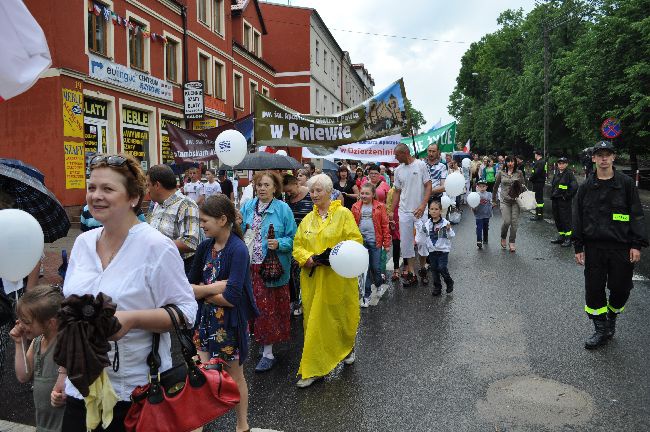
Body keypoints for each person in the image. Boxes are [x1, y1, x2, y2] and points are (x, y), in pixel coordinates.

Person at [62, 154, 197, 431]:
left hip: (133, 392)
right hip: (81, 386)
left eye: (108, 189)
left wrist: (133, 319)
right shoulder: (83, 243)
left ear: (133, 197)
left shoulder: (156, 247)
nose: (96, 196)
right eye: (92, 187)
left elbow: (186, 311)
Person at [188, 195, 259, 432]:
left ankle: (242, 425)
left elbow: (233, 298)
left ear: (222, 219)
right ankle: (199, 424)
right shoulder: (204, 246)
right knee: (203, 376)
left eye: (204, 220)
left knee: (234, 376)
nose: (201, 224)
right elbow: (189, 286)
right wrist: (216, 287)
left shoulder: (238, 249)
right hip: (205, 322)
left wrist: (202, 292)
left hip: (228, 325)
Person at [573, 141, 648, 349]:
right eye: (600, 155)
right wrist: (578, 246)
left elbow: (636, 214)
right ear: (594, 158)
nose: (604, 158)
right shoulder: (586, 187)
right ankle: (601, 329)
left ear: (613, 157)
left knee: (621, 288)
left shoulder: (625, 184)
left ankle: (612, 317)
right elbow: (577, 217)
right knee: (594, 289)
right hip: (594, 248)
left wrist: (636, 244)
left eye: (608, 154)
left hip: (621, 247)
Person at [292, 174, 362, 388]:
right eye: (312, 191)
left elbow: (355, 240)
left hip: (338, 278)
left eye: (318, 190)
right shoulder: (307, 220)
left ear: (329, 192)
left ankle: (347, 346)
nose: (314, 195)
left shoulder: (343, 214)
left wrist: (334, 255)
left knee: (341, 317)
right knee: (314, 323)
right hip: (313, 280)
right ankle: (314, 368)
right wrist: (308, 258)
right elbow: (298, 246)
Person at [240, 171, 297, 373]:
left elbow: (294, 238)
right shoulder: (248, 206)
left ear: (275, 188)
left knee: (267, 309)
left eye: (266, 185)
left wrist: (279, 243)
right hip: (249, 266)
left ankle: (268, 352)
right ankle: (260, 340)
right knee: (251, 306)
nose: (262, 188)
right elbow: (240, 231)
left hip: (271, 267)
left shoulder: (283, 209)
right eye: (259, 185)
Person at [10, 285, 65, 432]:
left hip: (62, 426)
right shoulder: (36, 342)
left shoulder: (63, 343)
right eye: (20, 320)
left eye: (26, 322)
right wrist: (19, 343)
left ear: (50, 323)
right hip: (42, 425)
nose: (20, 325)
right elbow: (23, 376)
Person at [390, 143, 432, 287]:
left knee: (422, 242)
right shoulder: (397, 170)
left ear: (405, 153)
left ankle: (423, 269)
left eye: (397, 155)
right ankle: (412, 274)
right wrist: (391, 210)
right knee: (406, 245)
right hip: (404, 212)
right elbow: (396, 191)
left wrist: (423, 205)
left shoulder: (421, 165)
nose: (395, 158)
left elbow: (428, 185)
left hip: (420, 211)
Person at [146, 164, 201, 275]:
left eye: (148, 185)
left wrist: (154, 245)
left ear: (157, 185)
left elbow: (190, 242)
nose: (147, 190)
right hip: (159, 269)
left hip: (179, 270)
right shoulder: (157, 205)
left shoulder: (186, 205)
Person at [352, 183, 391, 307]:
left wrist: (387, 243)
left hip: (375, 242)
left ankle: (379, 283)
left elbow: (385, 225)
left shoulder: (380, 207)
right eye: (362, 193)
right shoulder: (355, 207)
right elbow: (352, 225)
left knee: (375, 268)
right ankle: (366, 296)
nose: (364, 195)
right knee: (365, 269)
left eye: (367, 193)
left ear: (373, 194)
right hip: (361, 243)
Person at [283, 174, 315, 317]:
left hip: (308, 239)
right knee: (292, 273)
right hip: (292, 239)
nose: (289, 194)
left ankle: (304, 301)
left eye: (290, 190)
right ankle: (296, 300)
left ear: (296, 183)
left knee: (303, 271)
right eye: (286, 192)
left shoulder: (310, 195)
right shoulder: (287, 198)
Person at [492, 156, 525, 253]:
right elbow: (495, 187)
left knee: (514, 223)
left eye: (512, 161)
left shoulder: (519, 173)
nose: (510, 163)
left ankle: (512, 241)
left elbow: (523, 186)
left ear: (515, 163)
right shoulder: (501, 173)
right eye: (508, 161)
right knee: (507, 221)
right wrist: (494, 200)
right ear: (505, 163)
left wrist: (520, 189)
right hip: (504, 201)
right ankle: (503, 237)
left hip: (516, 201)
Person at [427, 200, 455, 296]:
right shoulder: (428, 223)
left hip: (443, 251)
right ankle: (437, 287)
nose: (434, 211)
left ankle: (449, 281)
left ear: (440, 211)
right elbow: (423, 233)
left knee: (442, 268)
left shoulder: (445, 223)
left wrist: (448, 229)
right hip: (432, 251)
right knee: (434, 270)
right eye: (432, 209)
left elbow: (451, 235)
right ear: (429, 211)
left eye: (436, 209)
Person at [550, 157, 578, 247]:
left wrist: (566, 196)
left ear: (566, 164)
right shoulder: (557, 173)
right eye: (559, 163)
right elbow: (554, 186)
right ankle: (561, 236)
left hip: (563, 201)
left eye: (563, 163)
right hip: (556, 199)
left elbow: (574, 187)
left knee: (565, 219)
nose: (561, 165)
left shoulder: (569, 174)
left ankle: (568, 239)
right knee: (557, 218)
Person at [386, 185, 402, 281]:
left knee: (406, 243)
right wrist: (390, 215)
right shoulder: (392, 191)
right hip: (395, 216)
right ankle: (396, 269)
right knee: (396, 243)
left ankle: (406, 267)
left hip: (408, 214)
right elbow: (389, 204)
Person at [473, 179, 493, 249]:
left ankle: (485, 238)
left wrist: (493, 204)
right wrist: (473, 208)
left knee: (485, 228)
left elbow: (492, 203)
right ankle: (479, 241)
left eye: (483, 186)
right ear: (477, 187)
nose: (482, 188)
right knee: (479, 228)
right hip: (478, 215)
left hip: (486, 214)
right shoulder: (475, 195)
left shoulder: (489, 194)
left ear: (486, 187)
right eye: (480, 186)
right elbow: (472, 204)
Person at [529, 150, 547, 221]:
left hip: (538, 182)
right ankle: (539, 214)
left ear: (537, 154)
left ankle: (538, 215)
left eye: (535, 154)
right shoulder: (542, 162)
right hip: (539, 182)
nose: (534, 155)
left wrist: (530, 178)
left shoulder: (540, 162)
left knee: (538, 199)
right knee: (539, 198)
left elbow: (536, 173)